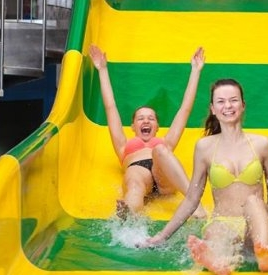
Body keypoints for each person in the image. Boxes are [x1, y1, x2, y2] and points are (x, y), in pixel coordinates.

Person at [145, 78, 268, 275]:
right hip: (225, 222)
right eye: (221, 101)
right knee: (216, 228)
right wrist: (162, 236)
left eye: (233, 100)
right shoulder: (205, 147)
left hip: (259, 223)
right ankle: (219, 263)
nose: (228, 106)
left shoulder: (262, 144)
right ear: (213, 109)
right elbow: (192, 198)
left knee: (253, 201)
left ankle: (263, 251)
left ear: (243, 105)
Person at [89, 44, 207, 218]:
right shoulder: (123, 146)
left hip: (164, 174)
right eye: (141, 118)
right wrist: (102, 70)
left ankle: (194, 204)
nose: (146, 121)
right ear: (133, 126)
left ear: (157, 127)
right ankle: (129, 210)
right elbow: (110, 107)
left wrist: (195, 71)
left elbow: (185, 109)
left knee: (160, 150)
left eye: (151, 118)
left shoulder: (166, 142)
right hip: (138, 172)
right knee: (134, 184)